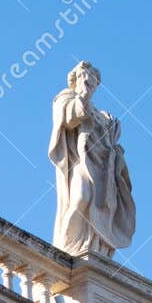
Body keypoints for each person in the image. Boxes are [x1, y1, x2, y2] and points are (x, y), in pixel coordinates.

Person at [49, 61, 136, 257]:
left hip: (103, 167)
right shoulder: (64, 98)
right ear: (76, 79)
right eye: (85, 77)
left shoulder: (104, 115)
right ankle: (69, 246)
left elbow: (113, 142)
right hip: (80, 161)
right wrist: (83, 95)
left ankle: (96, 246)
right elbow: (71, 118)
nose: (90, 82)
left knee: (102, 204)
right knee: (80, 196)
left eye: (93, 81)